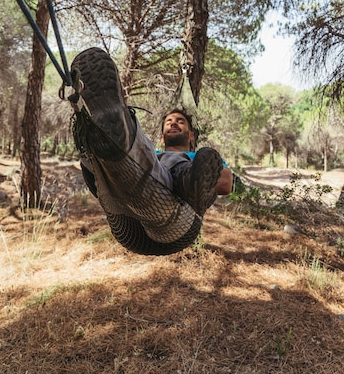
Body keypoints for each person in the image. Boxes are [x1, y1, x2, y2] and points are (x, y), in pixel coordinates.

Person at [69, 47, 233, 256]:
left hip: (176, 226)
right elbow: (146, 157)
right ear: (163, 137)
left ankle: (185, 181)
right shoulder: (150, 153)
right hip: (125, 220)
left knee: (172, 161)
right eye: (169, 122)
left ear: (191, 135)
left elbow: (226, 184)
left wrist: (199, 179)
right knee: (132, 154)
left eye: (180, 122)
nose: (173, 123)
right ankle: (94, 132)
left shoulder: (195, 158)